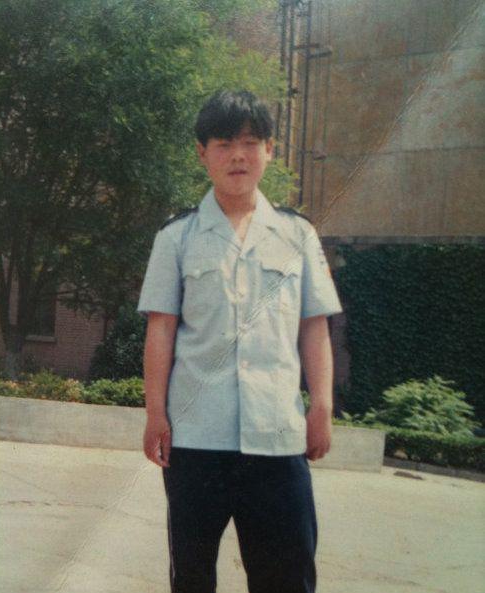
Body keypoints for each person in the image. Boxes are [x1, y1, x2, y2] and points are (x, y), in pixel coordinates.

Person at [137, 89, 343, 593]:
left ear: (270, 150)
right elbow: (161, 329)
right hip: (196, 439)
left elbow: (314, 327)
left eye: (251, 143)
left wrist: (321, 406)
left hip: (277, 436)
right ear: (202, 153)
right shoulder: (177, 238)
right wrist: (155, 414)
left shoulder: (298, 236)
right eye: (224, 143)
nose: (238, 156)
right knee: (192, 578)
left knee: (287, 578)